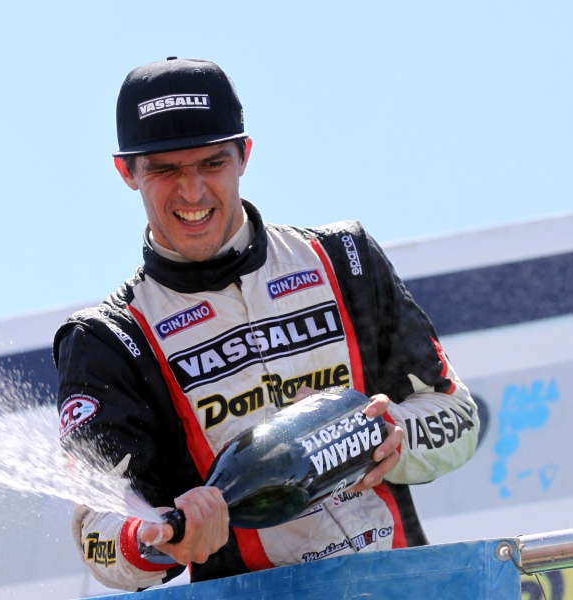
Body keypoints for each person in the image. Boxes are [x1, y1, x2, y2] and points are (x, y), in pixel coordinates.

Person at [53, 57, 479, 592]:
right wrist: (155, 538)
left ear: (245, 155)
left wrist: (396, 435)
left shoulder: (344, 259)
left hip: (404, 587)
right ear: (127, 172)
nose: (192, 191)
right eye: (165, 170)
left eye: (212, 163)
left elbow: (458, 415)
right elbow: (96, 531)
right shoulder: (109, 338)